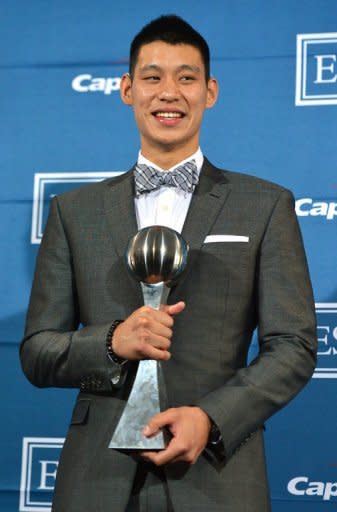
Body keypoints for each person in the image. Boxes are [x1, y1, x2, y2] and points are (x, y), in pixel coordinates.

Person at [20, 14, 317, 512]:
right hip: (96, 480)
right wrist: (112, 342)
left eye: (186, 77)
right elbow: (38, 352)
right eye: (152, 77)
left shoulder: (264, 205)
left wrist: (212, 417)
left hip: (218, 474)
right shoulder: (74, 212)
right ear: (126, 89)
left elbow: (293, 345)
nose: (169, 92)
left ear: (211, 91)